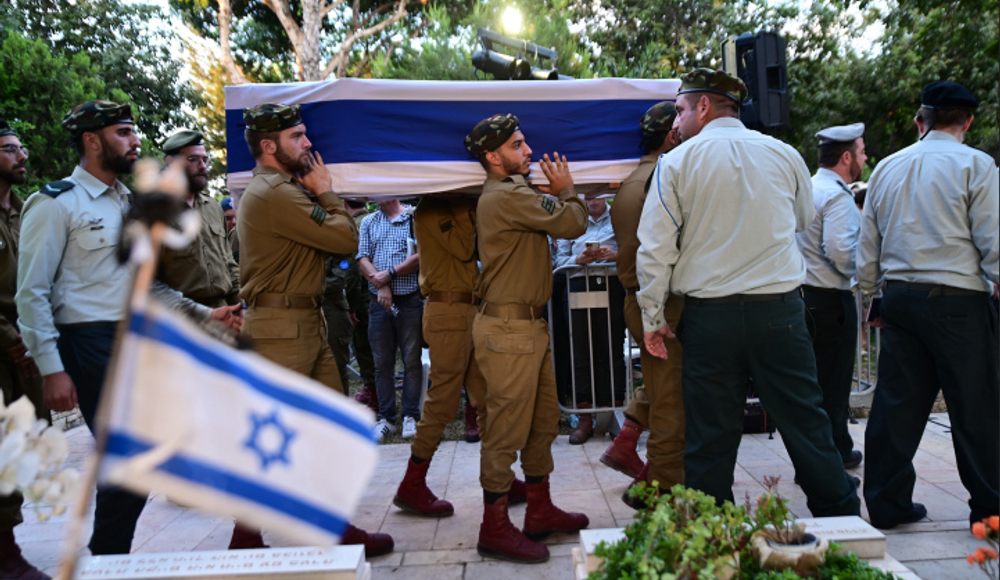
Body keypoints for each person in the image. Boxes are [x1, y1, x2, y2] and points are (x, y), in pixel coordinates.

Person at [15, 100, 241, 556]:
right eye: (123, 132)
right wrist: (51, 368)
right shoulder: (55, 204)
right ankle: (106, 559)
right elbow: (31, 293)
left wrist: (204, 314)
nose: (136, 141)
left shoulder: (130, 204)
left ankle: (106, 558)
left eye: (133, 131)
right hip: (89, 340)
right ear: (91, 140)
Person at [636, 69, 860, 517]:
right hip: (780, 315)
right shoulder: (785, 154)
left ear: (703, 107)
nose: (675, 123)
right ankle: (843, 522)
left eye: (679, 110)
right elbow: (801, 220)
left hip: (710, 319)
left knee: (709, 438)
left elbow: (655, 249)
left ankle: (712, 534)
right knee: (807, 424)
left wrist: (653, 317)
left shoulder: (675, 163)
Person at [237, 102, 393, 556]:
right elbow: (345, 239)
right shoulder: (275, 193)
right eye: (297, 137)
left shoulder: (286, 189)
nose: (308, 144)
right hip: (279, 327)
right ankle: (244, 535)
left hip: (304, 320)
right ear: (269, 147)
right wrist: (326, 192)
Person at [857, 81, 998, 530]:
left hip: (900, 299)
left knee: (895, 407)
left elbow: (868, 241)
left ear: (922, 120)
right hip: (959, 302)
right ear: (967, 121)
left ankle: (887, 503)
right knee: (975, 407)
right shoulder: (976, 164)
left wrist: (872, 294)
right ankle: (990, 510)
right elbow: (992, 238)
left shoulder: (887, 167)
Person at [468, 113, 589, 563]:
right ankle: (494, 527)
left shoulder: (515, 191)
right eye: (517, 145)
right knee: (505, 431)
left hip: (527, 327)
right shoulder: (508, 194)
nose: (529, 151)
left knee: (541, 424)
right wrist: (567, 190)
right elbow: (573, 223)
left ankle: (539, 511)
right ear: (492, 157)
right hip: (509, 330)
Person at [392, 193, 528, 518]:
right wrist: (469, 207)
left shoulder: (449, 208)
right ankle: (412, 484)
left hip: (467, 309)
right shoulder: (432, 209)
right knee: (442, 401)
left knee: (487, 398)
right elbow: (464, 247)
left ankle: (499, 478)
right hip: (448, 310)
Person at [603, 102, 685, 508]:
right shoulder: (662, 180)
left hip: (641, 298)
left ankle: (641, 456)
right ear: (672, 136)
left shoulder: (631, 182)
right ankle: (662, 485)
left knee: (662, 386)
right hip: (662, 302)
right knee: (672, 400)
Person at [795, 122, 867, 473]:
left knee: (813, 386)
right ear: (846, 157)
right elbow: (841, 251)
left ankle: (820, 456)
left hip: (803, 297)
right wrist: (864, 274)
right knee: (834, 385)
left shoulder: (807, 188)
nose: (865, 159)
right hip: (830, 300)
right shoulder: (837, 196)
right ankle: (833, 457)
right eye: (862, 152)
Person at [0, 117, 49, 580]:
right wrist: (8, 335)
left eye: (22, 148)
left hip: (24, 343)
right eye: (11, 149)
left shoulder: (23, 210)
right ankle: (6, 553)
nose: (22, 155)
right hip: (5, 344)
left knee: (24, 444)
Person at [553, 196, 626, 444]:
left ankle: (613, 411)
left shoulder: (619, 217)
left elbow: (632, 251)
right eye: (588, 195)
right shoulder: (571, 219)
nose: (593, 200)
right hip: (577, 285)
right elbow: (559, 260)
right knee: (580, 351)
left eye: (598, 194)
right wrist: (579, 260)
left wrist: (614, 255)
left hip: (611, 285)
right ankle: (585, 416)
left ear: (606, 195)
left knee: (611, 348)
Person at [356, 199, 421, 441]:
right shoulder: (369, 221)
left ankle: (410, 415)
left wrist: (390, 275)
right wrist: (380, 284)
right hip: (380, 303)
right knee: (382, 363)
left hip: (409, 300)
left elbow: (421, 256)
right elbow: (362, 258)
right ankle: (386, 419)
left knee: (411, 360)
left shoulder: (414, 216)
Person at [159, 129, 243, 311]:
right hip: (181, 315)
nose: (203, 166)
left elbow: (228, 262)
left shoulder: (213, 206)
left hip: (223, 310)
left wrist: (240, 305)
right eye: (193, 159)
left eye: (205, 160)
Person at [343, 200, 378, 411]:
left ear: (344, 201)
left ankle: (374, 396)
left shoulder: (352, 226)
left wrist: (351, 306)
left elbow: (353, 271)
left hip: (363, 297)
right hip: (382, 292)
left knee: (364, 347)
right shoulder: (376, 219)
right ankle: (375, 391)